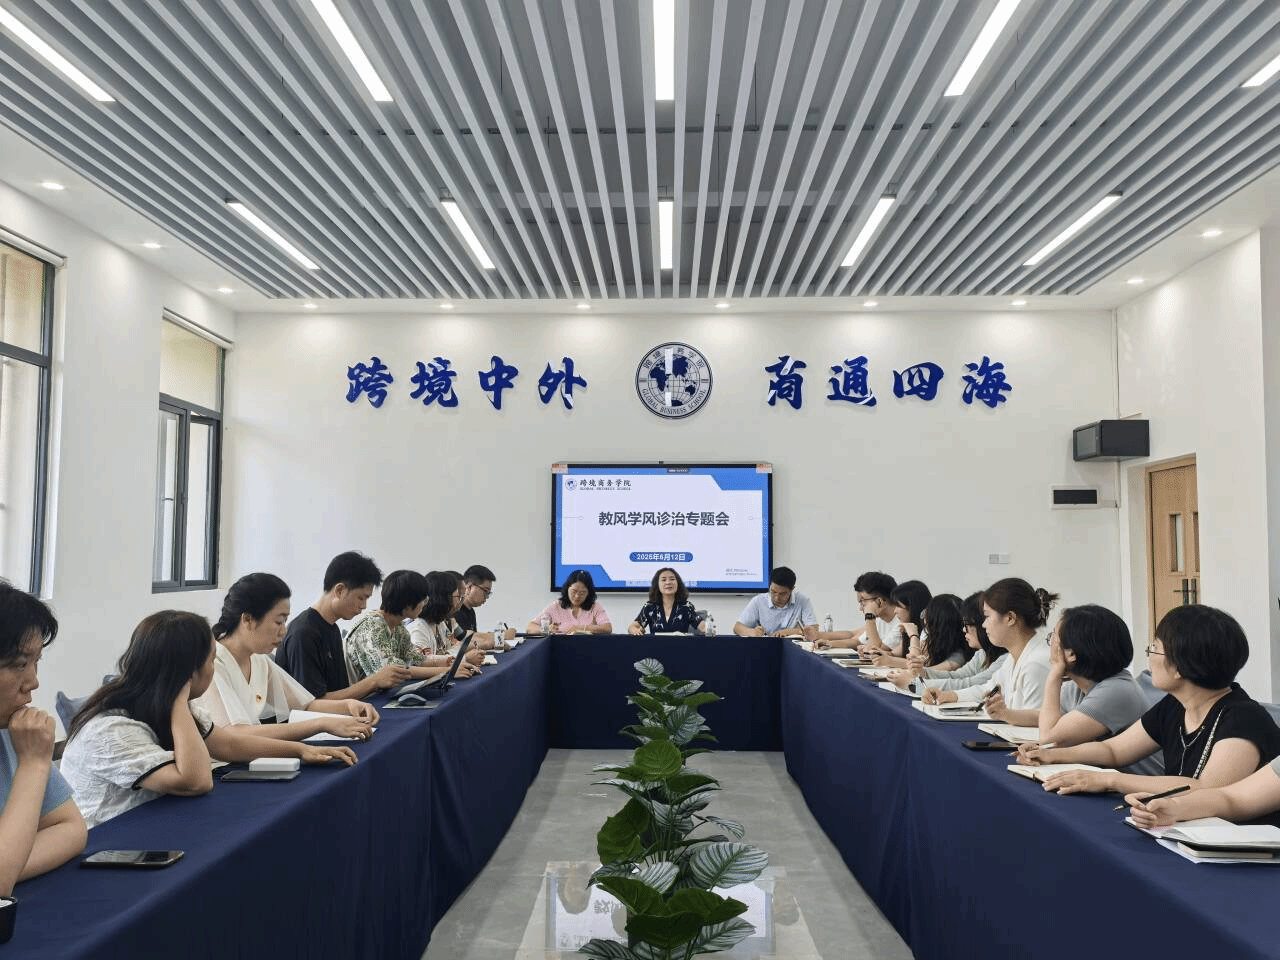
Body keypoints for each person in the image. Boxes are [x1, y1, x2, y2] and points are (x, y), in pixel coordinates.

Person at [62, 611, 357, 828]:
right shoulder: (113, 729)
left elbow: (229, 745)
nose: (213, 668)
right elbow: (196, 781)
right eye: (210, 660)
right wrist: (179, 696)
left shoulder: (162, 704)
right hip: (108, 841)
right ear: (189, 672)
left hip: (154, 823)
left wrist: (302, 750)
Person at [1019, 604, 1280, 798]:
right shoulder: (1175, 705)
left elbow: (1207, 790)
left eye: (1155, 648)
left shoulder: (1244, 719)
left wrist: (1109, 781)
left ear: (1179, 667)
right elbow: (1114, 750)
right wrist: (1051, 755)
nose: (1149, 656)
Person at [193, 573, 378, 742]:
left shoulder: (258, 660)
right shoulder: (211, 663)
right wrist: (321, 724)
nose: (283, 631)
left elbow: (304, 705)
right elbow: (234, 735)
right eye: (278, 622)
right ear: (248, 619)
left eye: (285, 622)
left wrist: (348, 706)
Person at [0, 582, 85, 895]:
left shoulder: (14, 734)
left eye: (36, 662)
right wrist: (34, 764)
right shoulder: (28, 747)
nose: (33, 682)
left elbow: (71, 827)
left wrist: (11, 862)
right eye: (19, 665)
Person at [1015, 604, 1156, 773]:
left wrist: (1054, 676)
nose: (1050, 644)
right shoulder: (1081, 685)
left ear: (1071, 654)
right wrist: (1006, 715)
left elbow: (1050, 738)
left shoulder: (1116, 690)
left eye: (1053, 637)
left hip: (1145, 786)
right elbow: (1047, 717)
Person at [920, 577, 1058, 726]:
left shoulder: (1036, 662)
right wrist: (949, 695)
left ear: (1010, 618)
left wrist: (1007, 715)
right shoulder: (1013, 657)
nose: (984, 625)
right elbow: (987, 689)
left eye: (987, 616)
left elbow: (1039, 722)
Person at [276, 551, 410, 701]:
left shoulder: (332, 628)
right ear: (340, 590)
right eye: (361, 598)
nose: (364, 606)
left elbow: (339, 691)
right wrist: (374, 681)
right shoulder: (304, 634)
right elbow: (313, 704)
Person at [354, 570, 477, 682]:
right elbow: (394, 671)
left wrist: (450, 662)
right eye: (423, 599)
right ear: (408, 602)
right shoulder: (373, 625)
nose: (425, 604)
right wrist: (448, 671)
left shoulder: (398, 627)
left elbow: (416, 659)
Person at [889, 592, 1004, 691]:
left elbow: (968, 684)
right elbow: (957, 676)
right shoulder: (982, 654)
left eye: (967, 624)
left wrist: (913, 684)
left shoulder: (1004, 659)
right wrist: (923, 672)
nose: (964, 629)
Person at [408, 571, 486, 668]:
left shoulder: (440, 624)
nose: (460, 602)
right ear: (443, 598)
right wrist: (464, 658)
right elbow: (420, 661)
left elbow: (450, 649)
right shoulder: (418, 628)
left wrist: (466, 650)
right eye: (458, 597)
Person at [815, 571, 898, 650]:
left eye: (863, 603)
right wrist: (829, 643)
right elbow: (858, 641)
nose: (861, 608)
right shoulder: (880, 619)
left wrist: (869, 616)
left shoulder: (900, 623)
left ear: (880, 602)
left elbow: (876, 650)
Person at [732, 567, 817, 640]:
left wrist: (789, 632)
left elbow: (814, 629)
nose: (776, 598)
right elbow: (737, 627)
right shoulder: (758, 601)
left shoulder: (802, 600)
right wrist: (752, 632)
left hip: (794, 648)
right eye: (773, 592)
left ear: (792, 589)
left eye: (782, 594)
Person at [866, 580, 932, 664]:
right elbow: (893, 654)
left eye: (899, 606)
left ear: (913, 607)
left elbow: (918, 664)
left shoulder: (928, 631)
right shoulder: (907, 626)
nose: (895, 611)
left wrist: (913, 635)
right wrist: (877, 653)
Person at [528, 570, 613, 634]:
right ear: (567, 589)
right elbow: (531, 627)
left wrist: (580, 628)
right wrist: (546, 629)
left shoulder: (595, 607)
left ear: (589, 593)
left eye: (582, 593)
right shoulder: (556, 606)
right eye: (574, 591)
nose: (577, 596)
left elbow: (607, 628)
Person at [627, 568, 707, 635]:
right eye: (663, 580)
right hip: (655, 647)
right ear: (657, 585)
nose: (668, 582)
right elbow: (633, 626)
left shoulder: (686, 606)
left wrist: (709, 629)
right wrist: (634, 630)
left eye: (672, 579)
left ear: (678, 583)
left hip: (680, 647)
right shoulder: (650, 606)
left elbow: (702, 626)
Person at [454, 565, 517, 649]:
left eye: (488, 593)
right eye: (485, 591)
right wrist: (500, 636)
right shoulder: (454, 612)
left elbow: (471, 637)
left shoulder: (470, 611)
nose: (486, 597)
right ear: (469, 587)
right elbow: (463, 640)